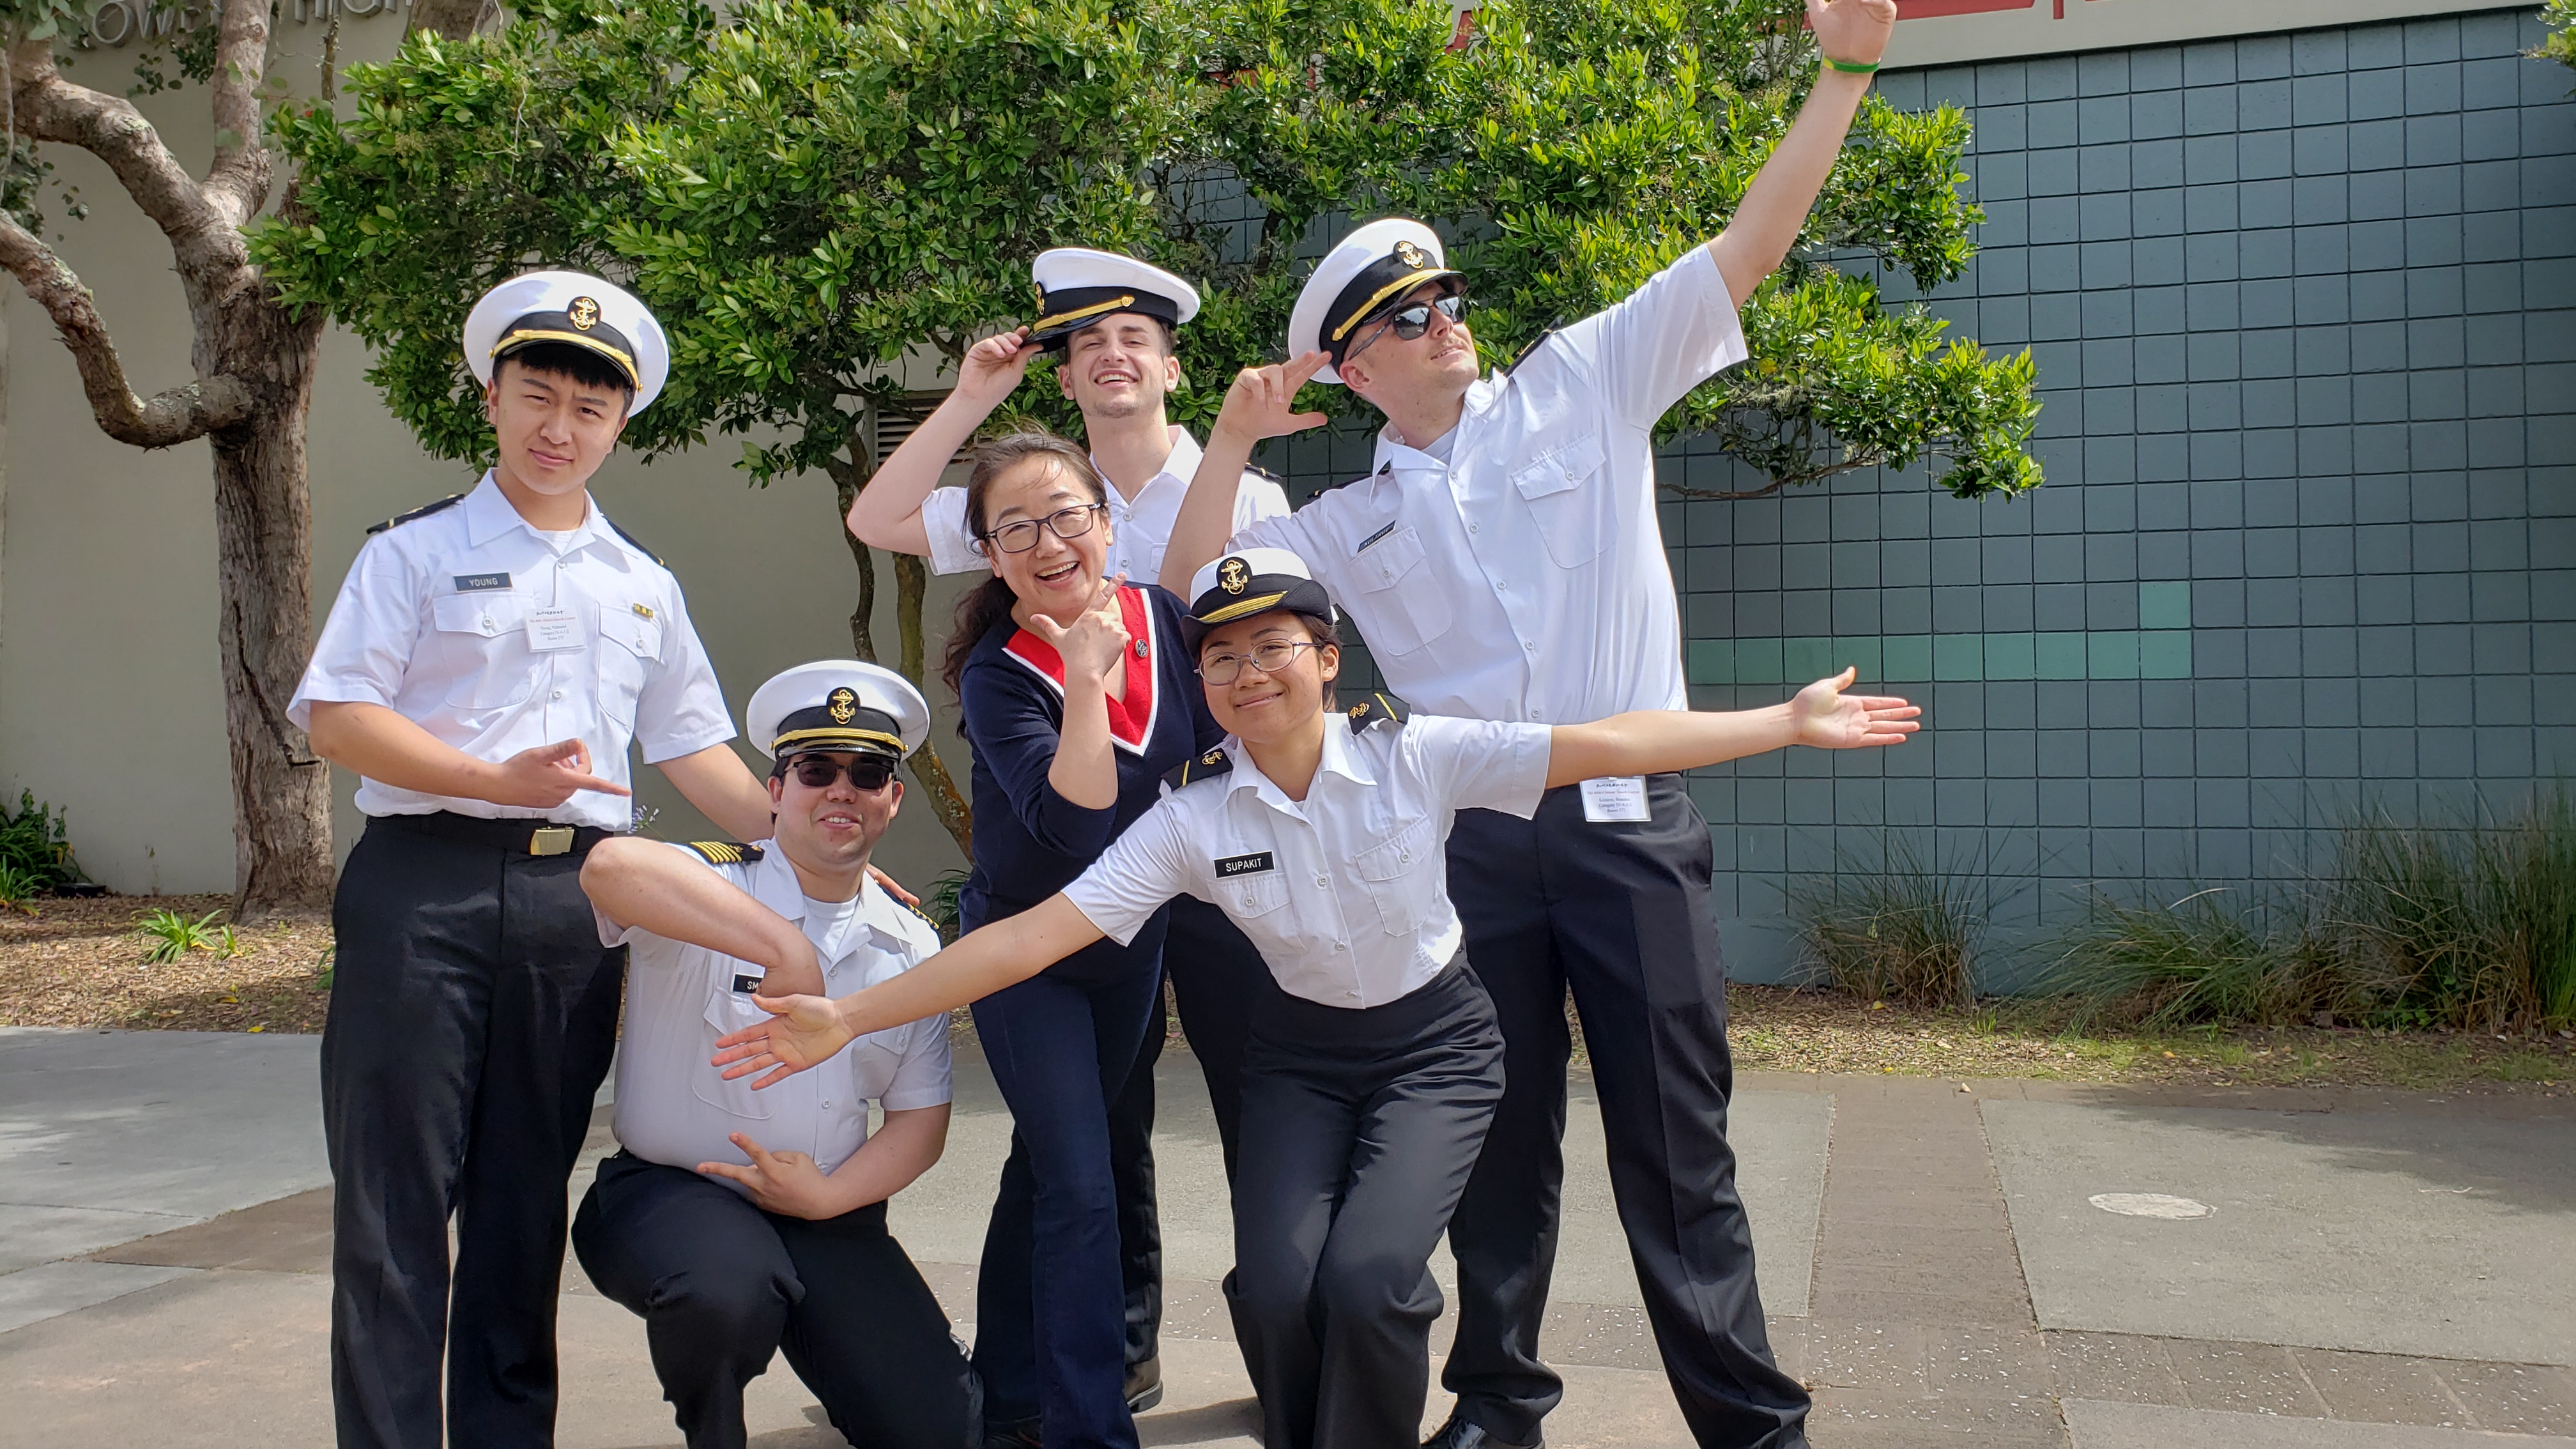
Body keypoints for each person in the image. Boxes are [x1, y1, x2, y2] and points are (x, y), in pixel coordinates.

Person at [707, 549, 1918, 1449]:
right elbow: (1032, 934)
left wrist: (1784, 722)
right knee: (1279, 1283)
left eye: (1274, 646)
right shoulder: (1191, 815)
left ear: (1326, 661)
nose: (1245, 671)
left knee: (1371, 1277)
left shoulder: (1416, 751)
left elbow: (1602, 741)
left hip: (1437, 1049)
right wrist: (852, 1013)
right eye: (1220, 655)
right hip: (1298, 1060)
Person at [1158, 6, 1902, 1444]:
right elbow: (1196, 585)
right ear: (1355, 370)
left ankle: (1750, 1422)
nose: (1449, 323)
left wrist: (1846, 71)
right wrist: (1238, 437)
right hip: (1475, 849)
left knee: (1676, 1146)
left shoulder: (1582, 383)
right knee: (1495, 1145)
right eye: (1407, 320)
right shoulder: (1337, 516)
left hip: (1628, 827)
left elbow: (1749, 250)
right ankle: (1501, 1401)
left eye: (1446, 301)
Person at [289, 270, 788, 1449]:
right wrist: (490, 780)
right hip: (424, 886)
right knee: (395, 1205)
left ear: (621, 425)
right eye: (537, 395)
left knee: (522, 1207)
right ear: (491, 395)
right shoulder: (413, 554)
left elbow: (692, 747)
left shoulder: (642, 584)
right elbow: (338, 715)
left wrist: (808, 838)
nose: (559, 429)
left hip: (578, 905)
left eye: (588, 409)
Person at [847, 249, 1280, 1431]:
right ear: (990, 548)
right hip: (1050, 920)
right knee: (1086, 1169)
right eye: (1085, 342)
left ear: (1169, 361)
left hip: (1183, 883)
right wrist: (974, 393)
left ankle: (1035, 1386)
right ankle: (1081, 1395)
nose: (1111, 355)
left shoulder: (1194, 541)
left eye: (1133, 337)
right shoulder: (1013, 626)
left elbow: (1243, 640)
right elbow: (880, 513)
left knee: (1147, 1136)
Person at [569, 660, 980, 1449]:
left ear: (894, 797)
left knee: (943, 1430)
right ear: (775, 790)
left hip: (825, 1207)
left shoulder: (909, 942)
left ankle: (847, 1369)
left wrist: (827, 1199)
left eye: (868, 774)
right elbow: (610, 867)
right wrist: (782, 946)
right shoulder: (713, 887)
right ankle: (713, 1432)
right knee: (726, 1294)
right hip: (673, 1195)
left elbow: (919, 1121)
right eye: (815, 770)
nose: (841, 790)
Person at [917, 430, 1230, 1449]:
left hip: (1127, 949)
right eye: (1016, 528)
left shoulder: (1168, 620)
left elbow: (1227, 747)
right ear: (991, 555)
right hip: (1026, 953)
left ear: (1105, 524)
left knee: (1050, 1166)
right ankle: (1087, 1428)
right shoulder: (1000, 675)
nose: (1048, 543)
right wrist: (1087, 674)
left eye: (1067, 516)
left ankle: (1006, 1386)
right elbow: (1074, 825)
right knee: (1084, 1185)